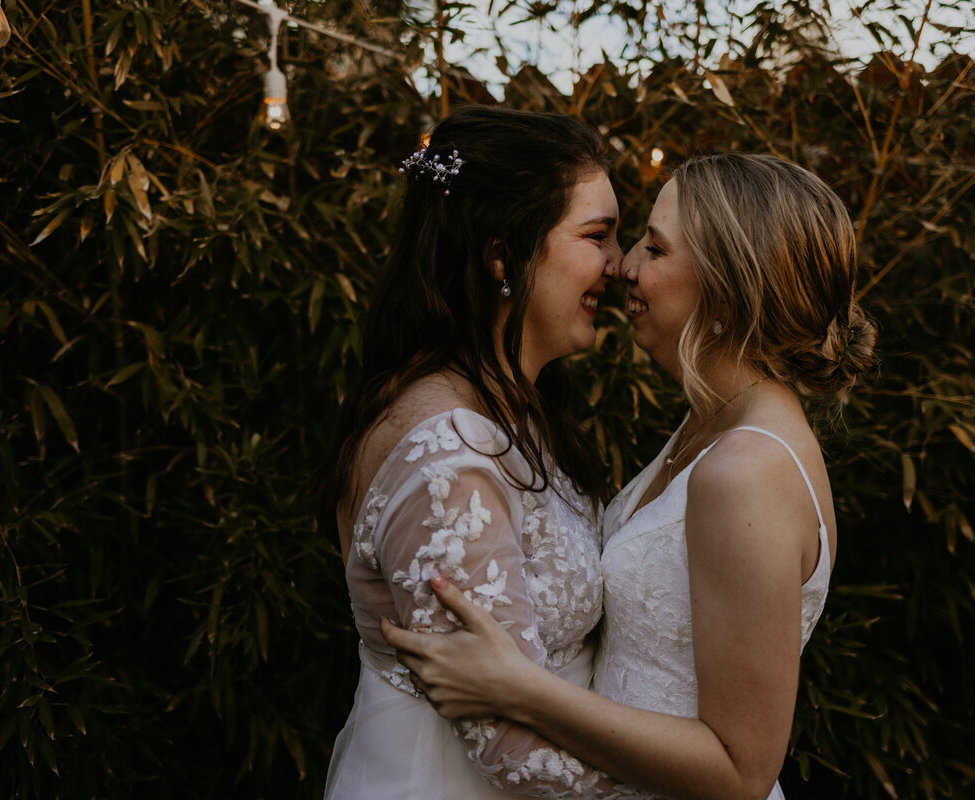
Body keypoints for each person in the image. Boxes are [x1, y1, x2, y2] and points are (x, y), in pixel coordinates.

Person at [383, 153, 878, 800]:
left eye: (656, 247)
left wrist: (518, 688)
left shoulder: (746, 471)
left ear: (728, 286)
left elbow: (741, 772)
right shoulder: (711, 427)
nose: (628, 266)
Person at [324, 105, 639, 799]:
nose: (619, 265)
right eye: (597, 236)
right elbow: (509, 744)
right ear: (502, 254)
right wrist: (693, 779)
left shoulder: (514, 410)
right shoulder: (447, 452)